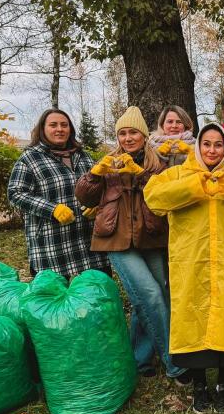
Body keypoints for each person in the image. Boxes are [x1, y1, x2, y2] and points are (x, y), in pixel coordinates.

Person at [143, 122, 224, 413]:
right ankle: (199, 387)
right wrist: (195, 186)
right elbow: (154, 199)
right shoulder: (178, 174)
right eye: (207, 144)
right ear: (198, 147)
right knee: (193, 323)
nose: (212, 150)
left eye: (218, 145)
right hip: (191, 264)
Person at [75, 106, 184, 380]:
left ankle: (140, 358)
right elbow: (85, 197)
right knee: (150, 295)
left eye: (133, 132)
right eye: (122, 133)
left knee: (151, 297)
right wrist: (94, 174)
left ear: (144, 135)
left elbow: (166, 193)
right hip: (116, 241)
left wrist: (141, 174)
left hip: (150, 238)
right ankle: (174, 363)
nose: (127, 138)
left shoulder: (156, 162)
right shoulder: (108, 162)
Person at [8, 108, 108, 279]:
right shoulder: (30, 158)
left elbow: (102, 187)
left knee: (98, 292)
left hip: (89, 245)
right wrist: (52, 209)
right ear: (43, 129)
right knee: (55, 295)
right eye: (53, 125)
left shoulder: (84, 156)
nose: (59, 129)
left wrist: (99, 205)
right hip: (52, 246)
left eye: (64, 125)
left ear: (70, 129)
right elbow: (15, 193)